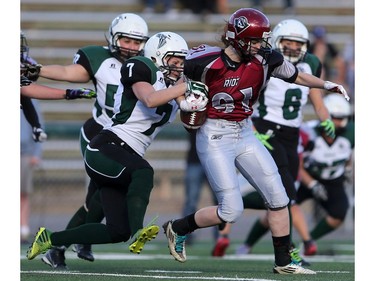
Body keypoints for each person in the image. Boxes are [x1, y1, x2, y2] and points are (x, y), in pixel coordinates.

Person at [162, 8, 348, 274]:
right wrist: (184, 102)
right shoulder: (204, 61)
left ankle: (283, 261)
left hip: (245, 131)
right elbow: (172, 77)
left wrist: (326, 84)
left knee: (279, 198)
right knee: (231, 211)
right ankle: (177, 227)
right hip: (214, 134)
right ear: (239, 39)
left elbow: (297, 75)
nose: (262, 45)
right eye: (256, 40)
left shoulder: (266, 58)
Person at [25, 31, 209, 263]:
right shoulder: (142, 66)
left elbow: (188, 116)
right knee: (143, 172)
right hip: (107, 146)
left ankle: (51, 240)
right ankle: (138, 231)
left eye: (183, 62)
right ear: (157, 57)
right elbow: (150, 99)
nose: (180, 67)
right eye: (175, 61)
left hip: (124, 156)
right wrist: (184, 88)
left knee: (115, 230)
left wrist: (195, 106)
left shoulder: (174, 86)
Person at [21, 13, 150, 269]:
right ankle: (63, 244)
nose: (132, 47)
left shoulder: (148, 65)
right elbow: (70, 72)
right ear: (114, 37)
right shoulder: (98, 58)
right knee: (104, 194)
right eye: (126, 40)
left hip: (126, 140)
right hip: (100, 134)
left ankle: (61, 244)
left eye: (137, 42)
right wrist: (41, 70)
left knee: (99, 197)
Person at [213, 19, 335, 263]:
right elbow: (246, 93)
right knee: (287, 192)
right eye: (287, 42)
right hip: (266, 129)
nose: (291, 47)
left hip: (292, 133)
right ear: (277, 41)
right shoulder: (266, 60)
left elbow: (317, 100)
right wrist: (252, 125)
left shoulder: (311, 63)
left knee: (285, 193)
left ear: (305, 45)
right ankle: (287, 251)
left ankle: (239, 208)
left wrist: (326, 120)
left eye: (297, 43)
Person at [295, 93, 354, 254]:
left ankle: (308, 242)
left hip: (332, 180)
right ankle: (248, 245)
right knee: (280, 206)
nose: (340, 122)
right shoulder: (309, 132)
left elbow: (348, 153)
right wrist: (312, 184)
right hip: (306, 178)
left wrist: (348, 169)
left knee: (339, 213)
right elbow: (296, 164)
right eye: (336, 117)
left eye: (343, 117)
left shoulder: (351, 132)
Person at [182, 129, 218, 245]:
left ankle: (220, 237)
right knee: (191, 201)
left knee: (221, 201)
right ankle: (186, 234)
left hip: (215, 162)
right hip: (195, 161)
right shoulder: (196, 112)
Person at [21, 99, 43, 243]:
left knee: (23, 192)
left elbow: (38, 125)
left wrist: (36, 153)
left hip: (24, 153)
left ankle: (23, 228)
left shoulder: (31, 101)